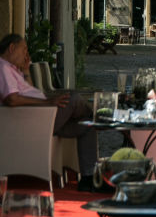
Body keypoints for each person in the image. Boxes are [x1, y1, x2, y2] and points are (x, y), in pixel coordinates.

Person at [0, 33, 100, 191]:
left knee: (88, 125)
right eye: (24, 49)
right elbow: (11, 99)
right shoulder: (3, 67)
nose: (26, 54)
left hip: (42, 117)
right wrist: (47, 102)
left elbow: (32, 92)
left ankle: (89, 179)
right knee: (73, 99)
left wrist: (25, 71)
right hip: (33, 121)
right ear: (11, 48)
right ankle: (102, 116)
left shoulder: (13, 70)